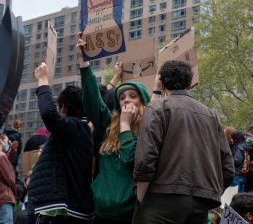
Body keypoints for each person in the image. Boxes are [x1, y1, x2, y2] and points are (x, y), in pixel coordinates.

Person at [133, 60, 234, 224]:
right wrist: (207, 193)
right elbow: (228, 168)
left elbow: (145, 161)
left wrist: (140, 200)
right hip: (200, 203)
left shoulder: (157, 107)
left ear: (163, 84)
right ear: (189, 85)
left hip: (160, 199)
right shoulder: (210, 114)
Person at [76, 37, 150, 224]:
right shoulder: (109, 124)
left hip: (130, 215)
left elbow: (132, 160)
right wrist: (83, 62)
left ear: (143, 103)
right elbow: (94, 101)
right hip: (100, 213)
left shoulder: (149, 129)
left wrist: (126, 126)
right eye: (122, 97)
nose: (125, 100)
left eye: (132, 96)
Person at [27, 62, 94, 224]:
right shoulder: (82, 131)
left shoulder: (75, 127)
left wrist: (43, 80)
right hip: (73, 210)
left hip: (66, 213)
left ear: (63, 107)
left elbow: (48, 114)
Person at [0, 133, 16, 224]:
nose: (8, 143)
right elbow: (10, 179)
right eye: (7, 141)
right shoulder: (1, 156)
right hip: (4, 197)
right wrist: (15, 194)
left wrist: (12, 150)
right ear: (1, 140)